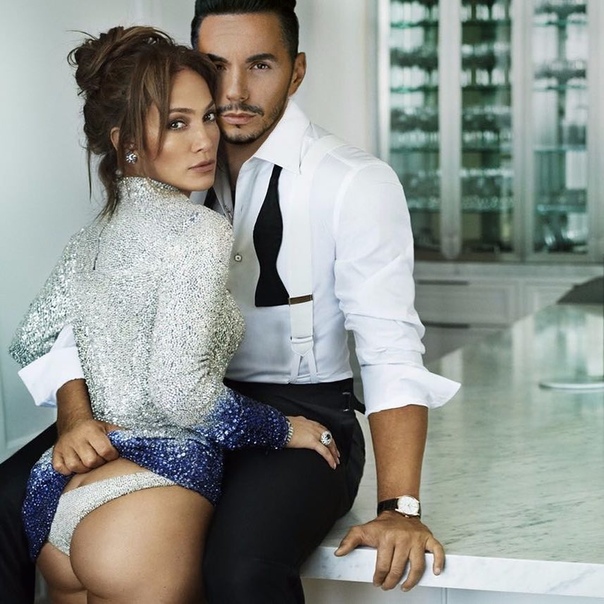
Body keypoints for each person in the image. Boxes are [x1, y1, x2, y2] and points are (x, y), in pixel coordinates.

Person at [0, 1, 460, 602]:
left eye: (260, 65)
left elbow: (390, 351)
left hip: (302, 407)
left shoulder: (353, 182)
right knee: (4, 501)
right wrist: (75, 414)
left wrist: (399, 506)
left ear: (296, 71)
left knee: (242, 567)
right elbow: (80, 312)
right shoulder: (171, 174)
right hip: (173, 410)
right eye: (217, 66)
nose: (235, 91)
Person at [8, 24, 340, 604]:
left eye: (207, 117)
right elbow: (181, 393)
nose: (205, 139)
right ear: (125, 142)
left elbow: (32, 339)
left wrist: (77, 418)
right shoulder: (199, 231)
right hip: (147, 502)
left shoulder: (91, 239)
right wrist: (283, 429)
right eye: (177, 123)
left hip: (61, 504)